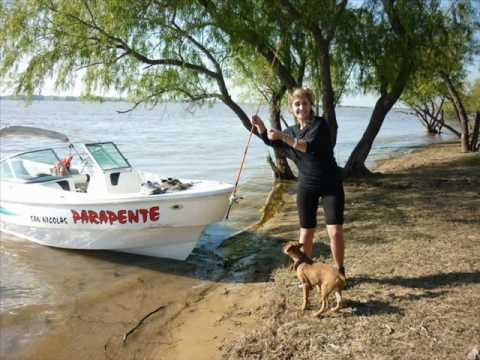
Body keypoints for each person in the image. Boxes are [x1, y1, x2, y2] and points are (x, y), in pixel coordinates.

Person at [251, 88, 345, 277]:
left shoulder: (320, 125)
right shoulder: (292, 131)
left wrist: (282, 136)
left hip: (330, 184)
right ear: (292, 109)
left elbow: (306, 146)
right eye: (297, 104)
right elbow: (273, 142)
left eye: (304, 103)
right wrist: (261, 127)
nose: (301, 107)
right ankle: (307, 273)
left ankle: (339, 270)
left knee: (334, 231)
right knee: (306, 233)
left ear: (311, 106)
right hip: (306, 185)